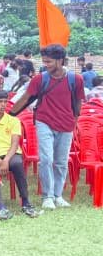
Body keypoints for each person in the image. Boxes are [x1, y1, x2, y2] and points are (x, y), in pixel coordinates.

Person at [10, 43, 85, 210]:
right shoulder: (39, 79)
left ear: (61, 60)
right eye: (44, 61)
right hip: (44, 122)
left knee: (61, 162)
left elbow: (78, 102)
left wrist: (74, 120)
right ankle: (47, 196)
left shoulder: (76, 79)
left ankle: (58, 195)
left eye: (49, 61)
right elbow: (26, 98)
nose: (46, 65)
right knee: (46, 160)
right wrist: (10, 115)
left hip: (66, 124)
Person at [0, 90, 38, 220]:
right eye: (0, 102)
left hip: (11, 154)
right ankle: (0, 208)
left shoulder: (13, 121)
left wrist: (5, 160)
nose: (3, 105)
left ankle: (26, 203)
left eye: (5, 101)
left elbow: (15, 144)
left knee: (17, 164)